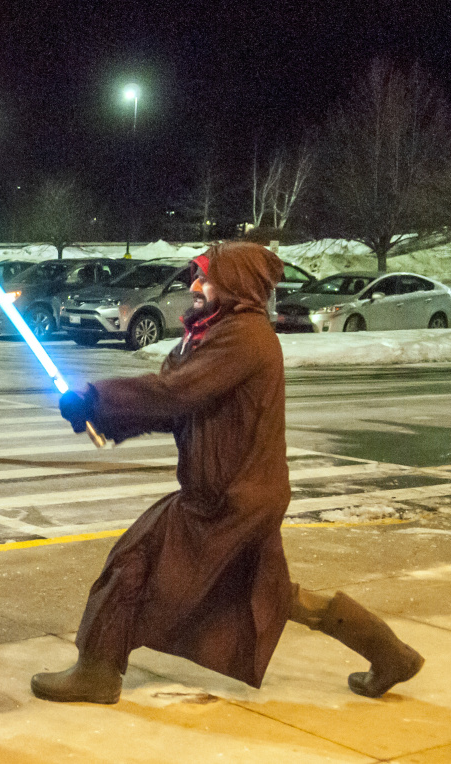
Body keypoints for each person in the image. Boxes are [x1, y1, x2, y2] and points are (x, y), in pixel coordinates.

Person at [32, 241, 423, 704]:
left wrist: (97, 397)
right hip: (236, 493)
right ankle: (390, 654)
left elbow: (175, 393)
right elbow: (179, 408)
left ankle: (97, 671)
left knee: (132, 564)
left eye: (207, 278)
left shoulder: (243, 337)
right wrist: (101, 415)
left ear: (235, 286)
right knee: (273, 596)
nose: (196, 286)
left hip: (228, 499)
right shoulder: (215, 336)